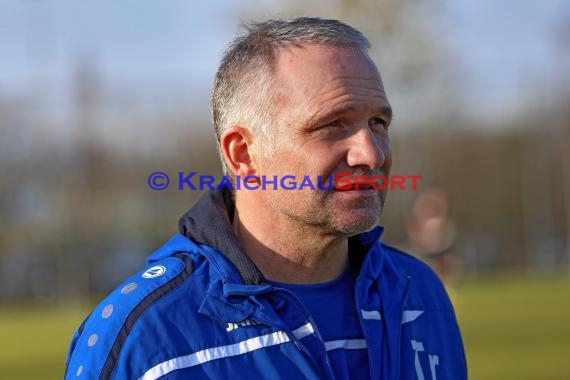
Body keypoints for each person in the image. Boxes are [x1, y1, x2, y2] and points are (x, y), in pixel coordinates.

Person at [65, 17, 467, 380]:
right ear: (243, 154)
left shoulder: (419, 294)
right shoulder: (145, 340)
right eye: (332, 125)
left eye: (377, 122)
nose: (372, 154)